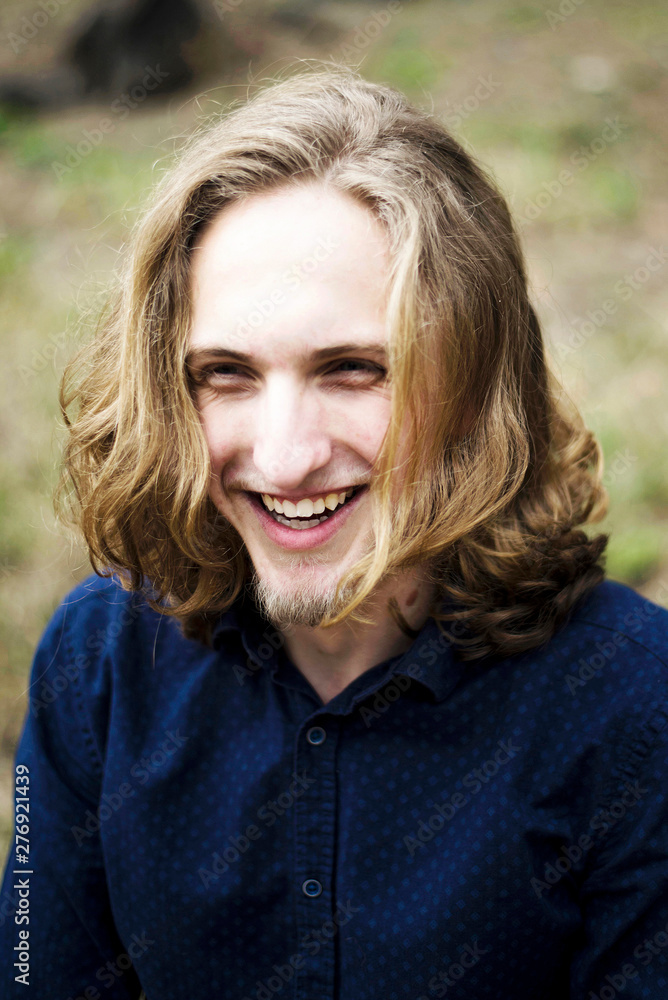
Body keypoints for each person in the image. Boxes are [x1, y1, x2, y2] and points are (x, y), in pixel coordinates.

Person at [1, 66, 667, 1000]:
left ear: (476, 383)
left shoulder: (635, 706)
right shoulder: (96, 663)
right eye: (225, 374)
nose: (284, 457)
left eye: (354, 369)